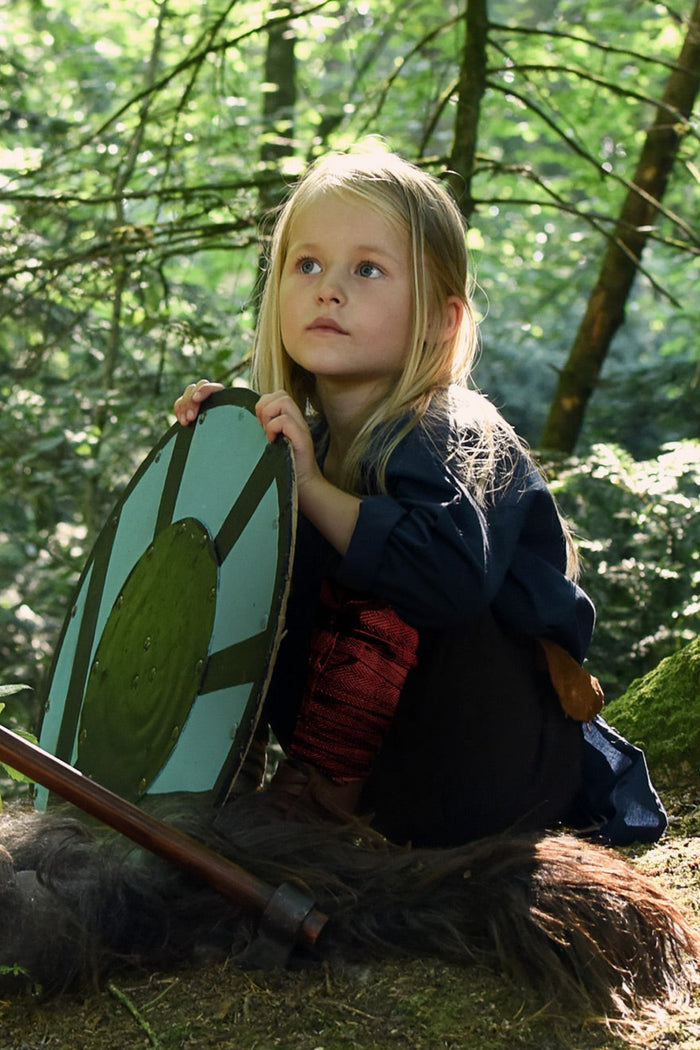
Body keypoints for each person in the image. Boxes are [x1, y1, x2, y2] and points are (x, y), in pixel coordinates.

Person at [174, 148, 664, 849]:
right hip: (393, 772)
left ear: (440, 317)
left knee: (392, 564)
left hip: (490, 759)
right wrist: (223, 449)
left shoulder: (455, 430)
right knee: (258, 562)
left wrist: (310, 488)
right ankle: (232, 780)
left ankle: (317, 793)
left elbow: (444, 579)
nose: (328, 289)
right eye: (306, 265)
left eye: (366, 269)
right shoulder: (303, 444)